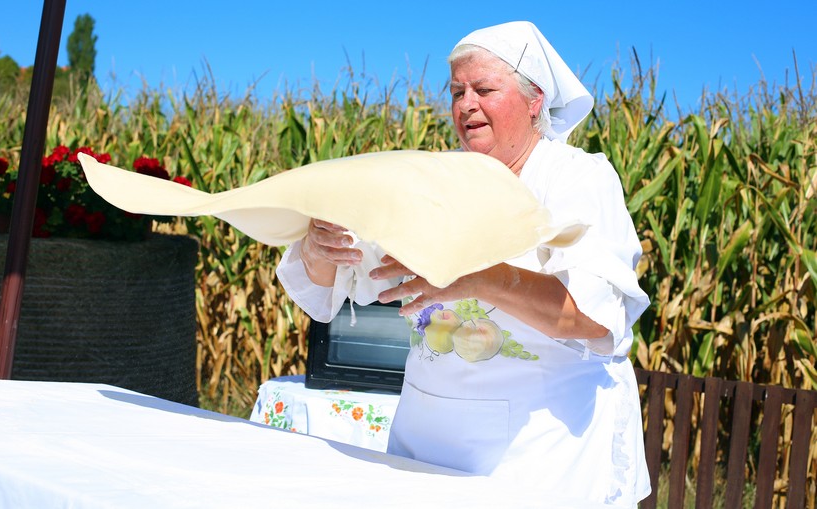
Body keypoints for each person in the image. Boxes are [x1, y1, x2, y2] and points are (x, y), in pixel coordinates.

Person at [277, 20, 651, 507]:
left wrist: (479, 278)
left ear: (534, 99)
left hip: (539, 455)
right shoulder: (436, 180)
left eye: (484, 89)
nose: (466, 104)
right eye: (457, 91)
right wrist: (319, 249)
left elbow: (589, 315)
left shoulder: (576, 179)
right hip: (424, 441)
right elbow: (338, 286)